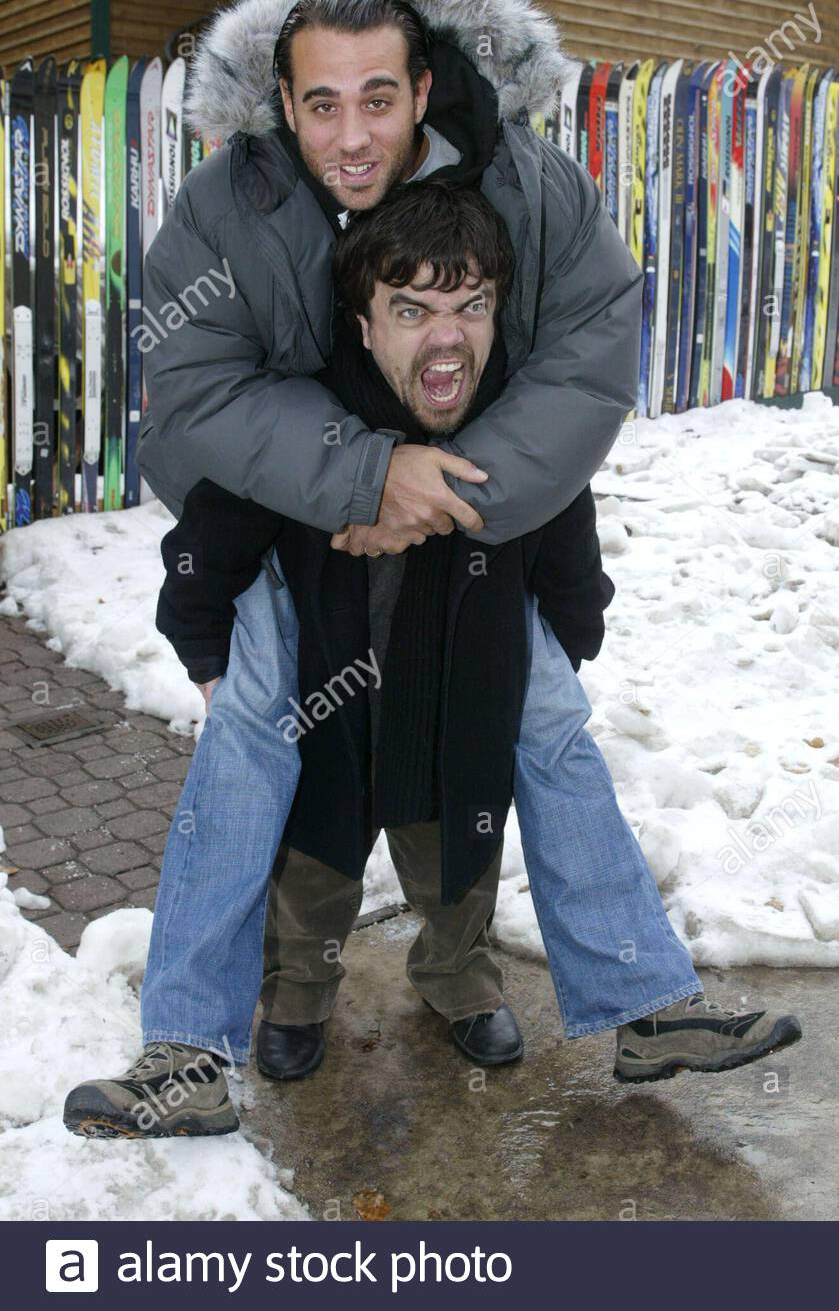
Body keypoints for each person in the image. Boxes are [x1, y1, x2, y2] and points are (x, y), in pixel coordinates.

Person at [63, 183, 801, 1140]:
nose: (446, 338)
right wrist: (207, 647)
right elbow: (213, 531)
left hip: (452, 685)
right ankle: (233, 1030)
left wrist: (563, 643)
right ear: (363, 323)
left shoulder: (520, 419)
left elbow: (565, 539)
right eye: (411, 311)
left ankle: (552, 994)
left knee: (472, 839)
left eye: (470, 307)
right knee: (304, 851)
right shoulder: (308, 415)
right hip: (325, 682)